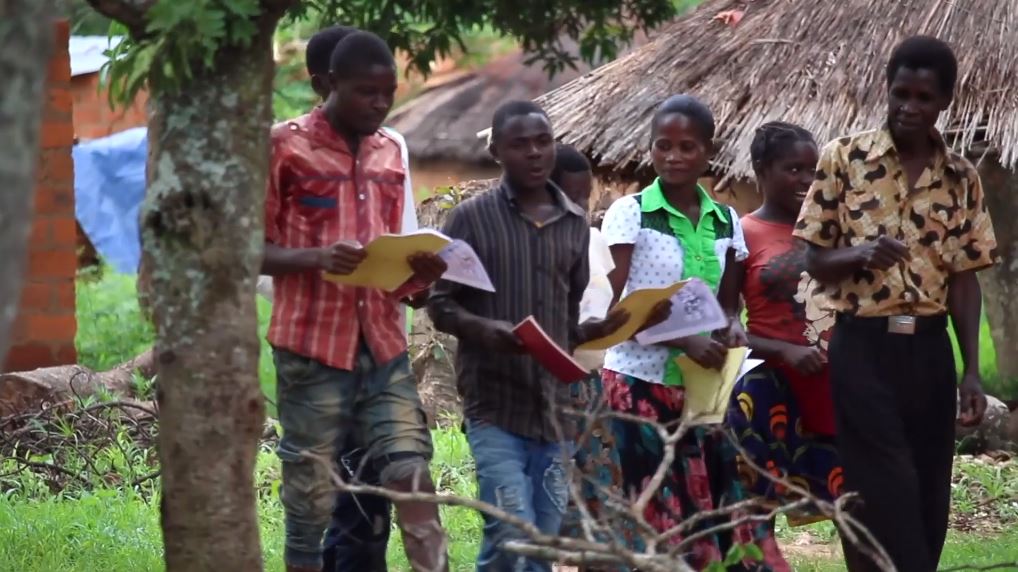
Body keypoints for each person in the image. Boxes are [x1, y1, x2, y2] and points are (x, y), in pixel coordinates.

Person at [794, 36, 997, 572]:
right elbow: (812, 258)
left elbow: (964, 280)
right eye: (900, 93)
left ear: (944, 102)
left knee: (929, 490)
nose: (909, 106)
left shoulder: (961, 179)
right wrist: (859, 253)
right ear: (886, 90)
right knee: (882, 483)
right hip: (862, 346)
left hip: (929, 352)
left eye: (923, 97)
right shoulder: (845, 158)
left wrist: (971, 371)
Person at [262, 30, 449, 572]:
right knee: (310, 495)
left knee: (413, 478)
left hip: (384, 348)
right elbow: (246, 250)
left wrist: (422, 278)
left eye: (388, 92)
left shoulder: (391, 150)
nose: (380, 103)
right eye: (367, 92)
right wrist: (316, 257)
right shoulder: (283, 147)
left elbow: (396, 255)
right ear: (328, 85)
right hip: (311, 350)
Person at [427, 101, 630, 572]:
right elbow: (440, 305)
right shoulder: (470, 220)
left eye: (543, 142)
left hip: (556, 411)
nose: (535, 153)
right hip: (493, 404)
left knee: (538, 540)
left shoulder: (575, 227)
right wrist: (488, 331)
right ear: (497, 151)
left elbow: (566, 323)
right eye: (520, 144)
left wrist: (598, 331)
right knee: (511, 531)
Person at [597, 94, 779, 569]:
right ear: (651, 149)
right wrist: (684, 340)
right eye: (664, 146)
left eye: (687, 147)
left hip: (702, 392)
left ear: (708, 151)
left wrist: (730, 334)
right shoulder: (631, 212)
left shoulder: (726, 221)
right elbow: (612, 308)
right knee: (653, 517)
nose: (674, 157)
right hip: (638, 385)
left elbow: (727, 308)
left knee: (706, 517)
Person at [723, 122, 845, 571]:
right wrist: (783, 351)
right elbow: (725, 323)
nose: (804, 180)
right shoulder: (743, 233)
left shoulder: (833, 231)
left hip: (835, 388)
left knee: (855, 508)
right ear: (760, 169)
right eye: (792, 168)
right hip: (772, 393)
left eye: (812, 171)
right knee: (756, 508)